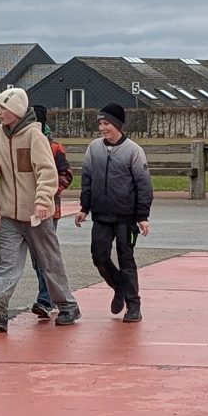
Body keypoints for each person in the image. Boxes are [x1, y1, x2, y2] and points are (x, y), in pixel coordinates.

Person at [0, 88, 81, 332]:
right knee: (7, 263)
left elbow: (47, 172)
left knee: (49, 261)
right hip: (9, 213)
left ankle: (67, 305)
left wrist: (42, 201)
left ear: (17, 111)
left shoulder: (35, 136)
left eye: (2, 108)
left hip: (37, 215)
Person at [75, 103, 153, 323]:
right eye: (100, 123)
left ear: (117, 124)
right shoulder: (94, 148)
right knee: (99, 257)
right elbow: (87, 180)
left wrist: (142, 216)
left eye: (106, 123)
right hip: (101, 215)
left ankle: (133, 305)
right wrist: (84, 208)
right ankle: (118, 287)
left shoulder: (133, 151)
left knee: (126, 259)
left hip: (125, 218)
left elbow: (143, 185)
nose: (102, 128)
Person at [28, 104, 74, 319]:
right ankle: (46, 297)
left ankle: (46, 299)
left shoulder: (54, 148)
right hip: (23, 209)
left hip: (49, 210)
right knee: (37, 258)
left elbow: (66, 176)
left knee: (46, 255)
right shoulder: (21, 144)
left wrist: (46, 193)